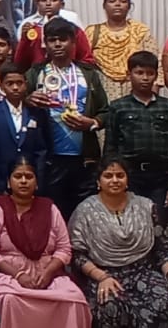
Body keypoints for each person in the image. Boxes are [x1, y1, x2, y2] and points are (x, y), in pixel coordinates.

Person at [70, 158, 168, 327]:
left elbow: (161, 246)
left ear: (127, 180)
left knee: (164, 303)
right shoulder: (85, 211)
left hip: (143, 272)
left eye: (120, 175)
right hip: (103, 274)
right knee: (109, 305)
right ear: (98, 182)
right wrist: (102, 277)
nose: (115, 180)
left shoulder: (145, 206)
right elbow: (77, 254)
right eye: (108, 176)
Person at [0, 157, 90, 328]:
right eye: (18, 176)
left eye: (29, 176)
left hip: (48, 274)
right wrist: (18, 275)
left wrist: (48, 272)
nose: (23, 181)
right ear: (9, 182)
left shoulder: (50, 208)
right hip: (9, 276)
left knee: (74, 299)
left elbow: (64, 248)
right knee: (8, 299)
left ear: (37, 183)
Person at [25, 18, 107, 218]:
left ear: (73, 42)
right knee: (53, 213)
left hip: (85, 157)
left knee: (85, 213)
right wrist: (28, 99)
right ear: (46, 44)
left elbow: (106, 111)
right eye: (52, 40)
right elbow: (16, 105)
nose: (57, 44)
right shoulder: (35, 73)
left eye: (62, 39)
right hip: (50, 157)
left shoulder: (89, 74)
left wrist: (92, 123)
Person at [102, 51, 168, 223]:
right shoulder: (118, 107)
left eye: (150, 73)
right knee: (130, 222)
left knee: (157, 224)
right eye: (139, 73)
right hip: (130, 177)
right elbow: (110, 146)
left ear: (156, 76)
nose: (145, 78)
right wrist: (111, 179)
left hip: (161, 177)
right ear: (129, 74)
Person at [0, 63, 52, 198]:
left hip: (29, 181)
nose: (15, 87)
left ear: (26, 85)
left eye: (19, 83)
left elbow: (42, 150)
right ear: (1, 87)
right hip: (1, 182)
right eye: (10, 83)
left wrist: (38, 181)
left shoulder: (37, 113)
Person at [87, 0, 159, 101]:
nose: (117, 4)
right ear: (104, 6)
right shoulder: (92, 32)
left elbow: (155, 63)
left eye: (123, 1)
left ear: (129, 6)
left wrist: (152, 98)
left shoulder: (140, 31)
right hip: (102, 90)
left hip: (135, 90)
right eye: (112, 1)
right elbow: (84, 65)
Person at [13, 0, 95, 71]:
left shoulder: (74, 30)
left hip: (71, 75)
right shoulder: (33, 31)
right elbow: (20, 63)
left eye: (53, 0)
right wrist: (24, 38)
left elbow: (86, 60)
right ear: (38, 4)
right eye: (43, 0)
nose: (48, 4)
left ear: (62, 4)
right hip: (39, 75)